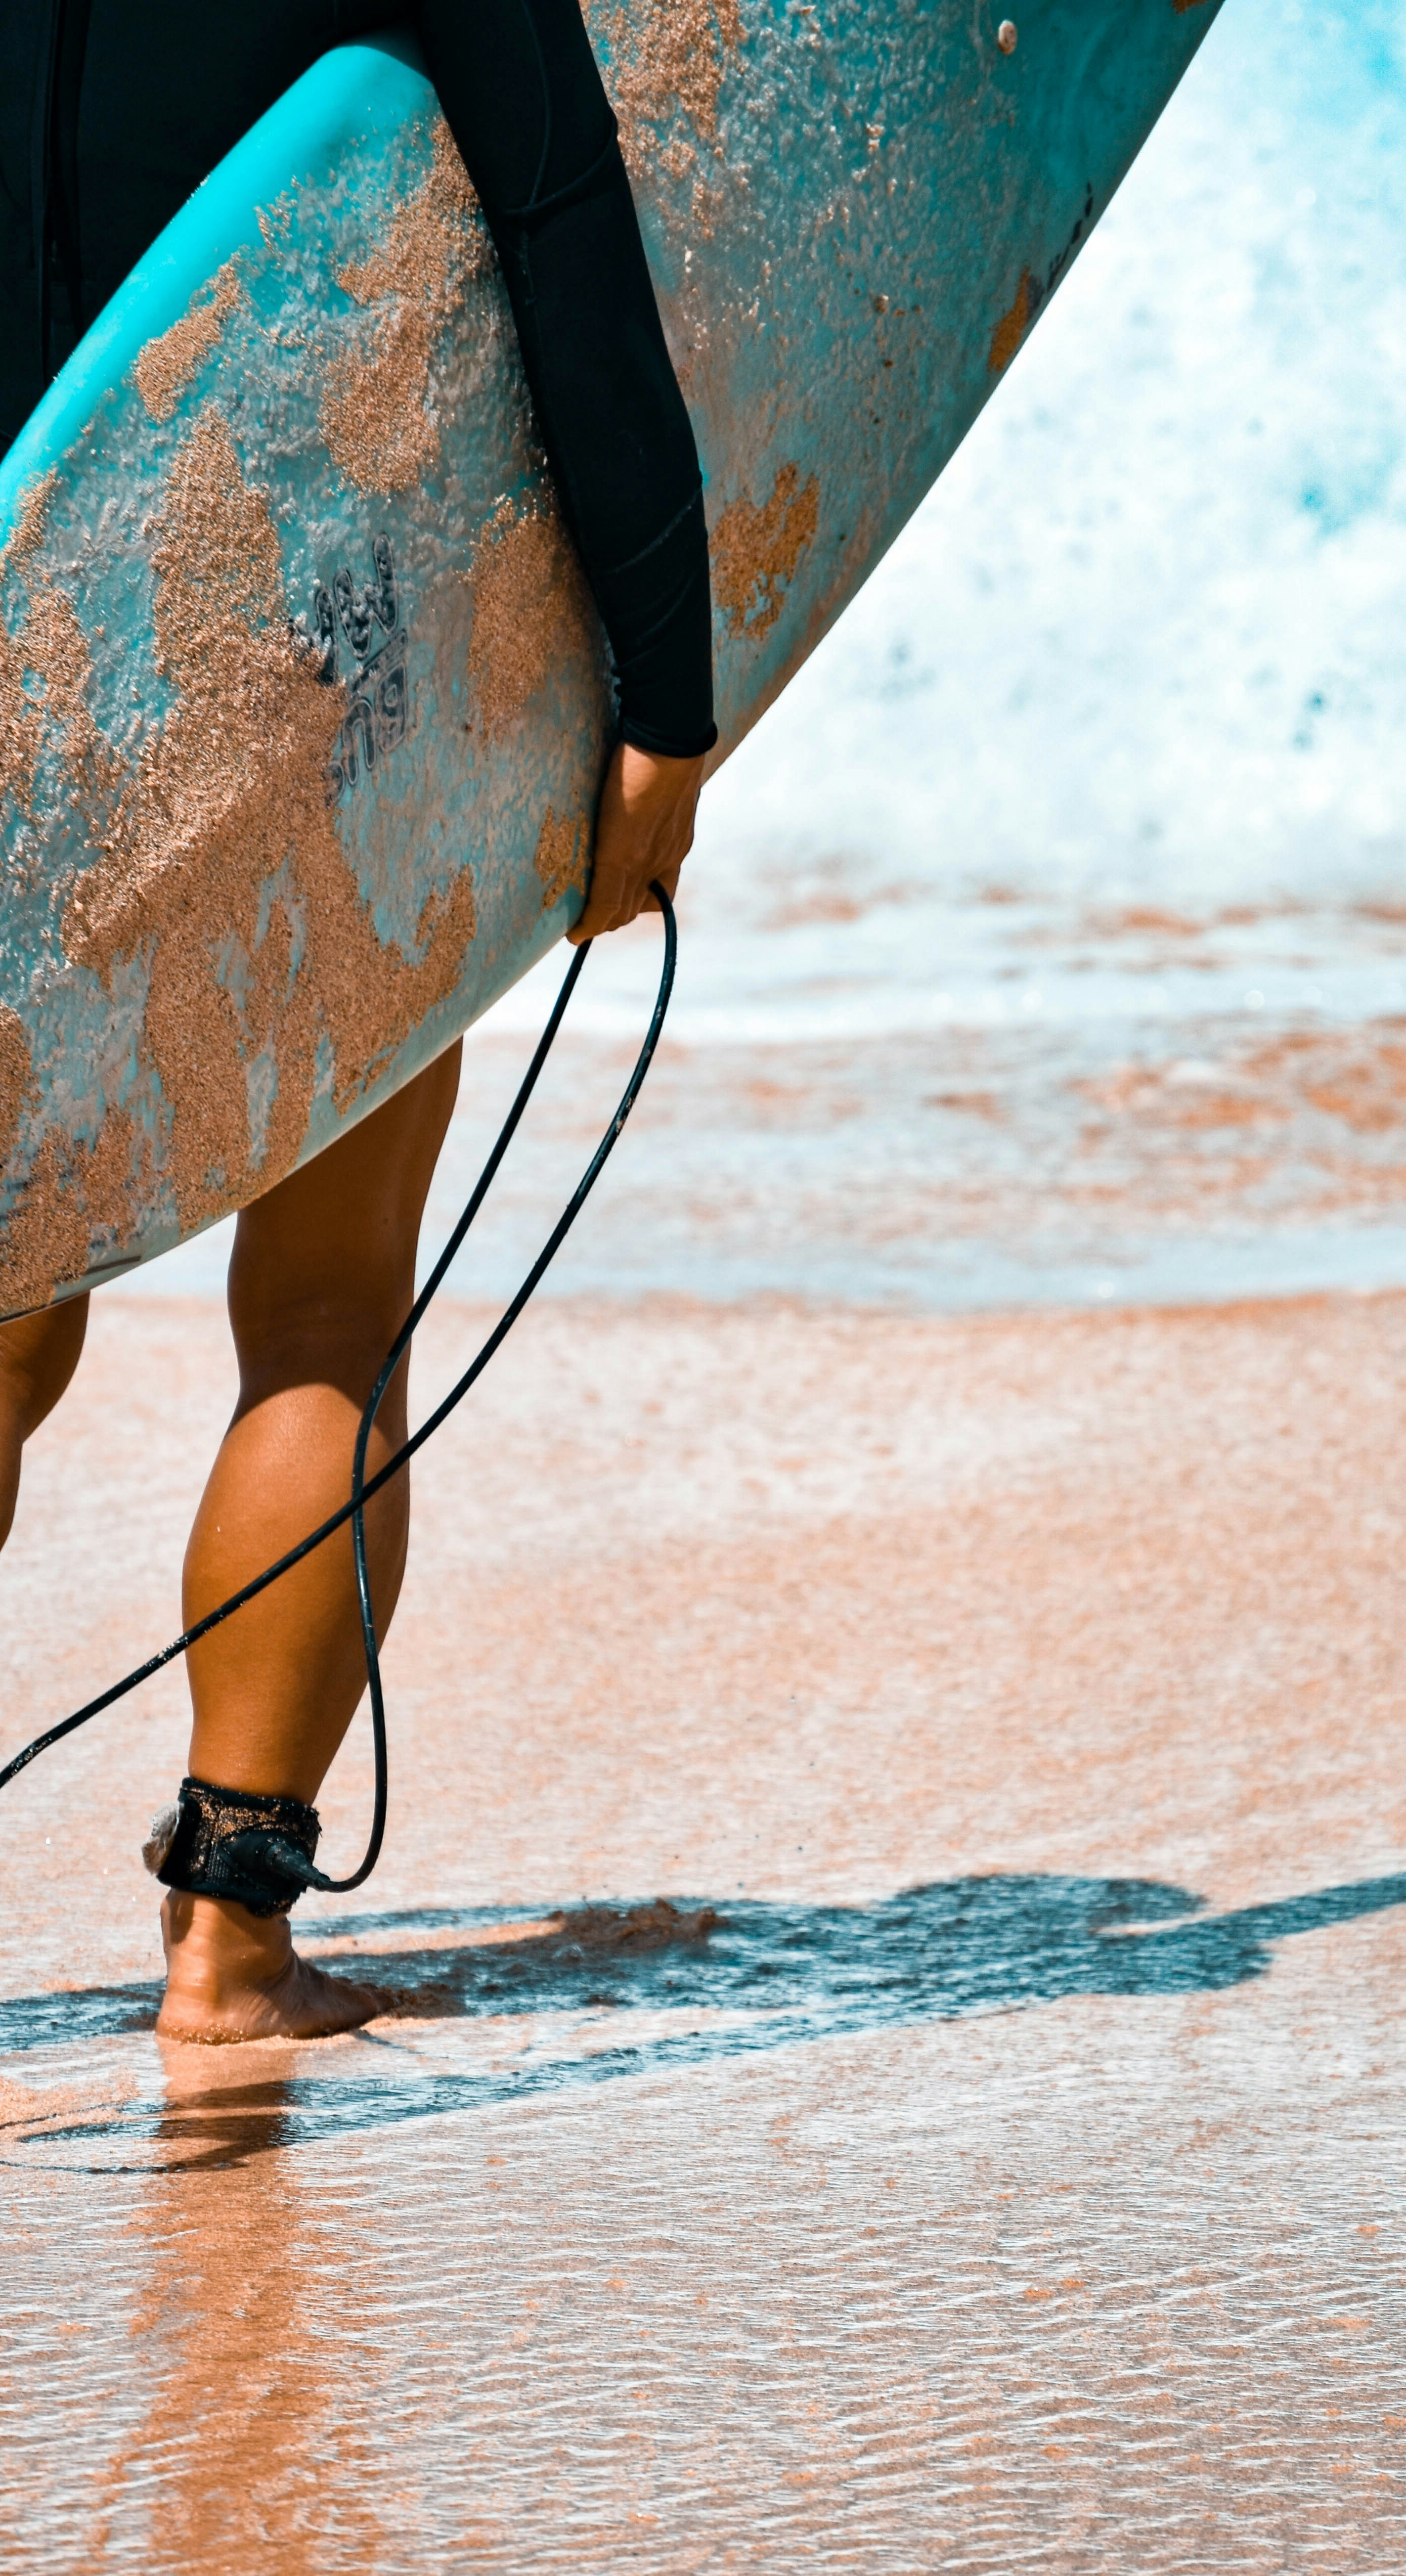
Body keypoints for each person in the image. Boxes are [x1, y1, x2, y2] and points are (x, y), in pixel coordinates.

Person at [0, 0, 714, 2041]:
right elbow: (570, 256)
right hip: (319, 681)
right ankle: (232, 1946)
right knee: (319, 1317)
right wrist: (664, 704)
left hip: (12, 681)